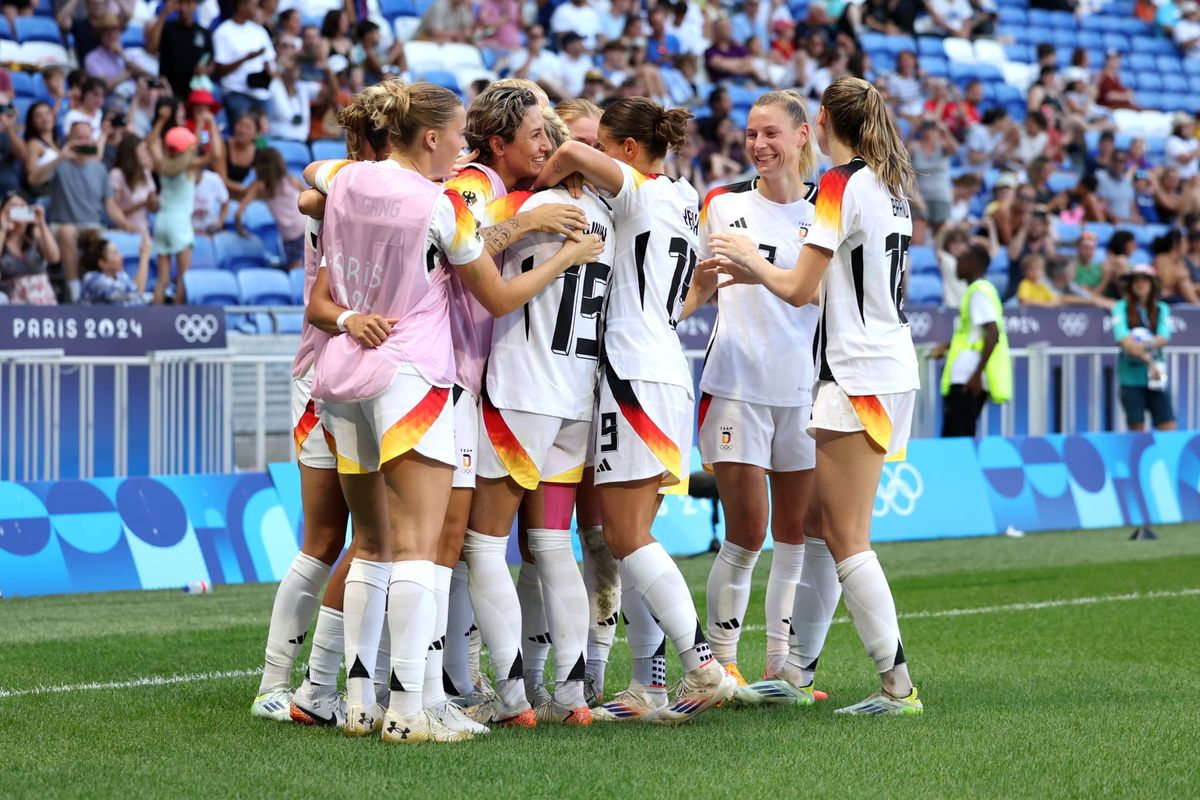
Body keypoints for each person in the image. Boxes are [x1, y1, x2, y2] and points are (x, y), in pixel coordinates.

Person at [304, 80, 600, 742]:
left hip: (343, 376)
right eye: (458, 133)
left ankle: (358, 703)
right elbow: (496, 298)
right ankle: (411, 709)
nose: (464, 145)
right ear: (430, 137)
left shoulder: (348, 181)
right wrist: (567, 259)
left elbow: (312, 182)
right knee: (417, 547)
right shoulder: (442, 205)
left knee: (374, 546)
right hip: (415, 378)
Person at [707, 76, 923, 715]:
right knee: (822, 529)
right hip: (888, 367)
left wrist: (749, 260)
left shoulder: (839, 183)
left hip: (855, 374)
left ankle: (897, 686)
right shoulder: (890, 186)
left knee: (846, 535)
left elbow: (800, 288)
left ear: (820, 122)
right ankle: (796, 671)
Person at [533, 97, 740, 724]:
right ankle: (648, 684)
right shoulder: (684, 195)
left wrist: (529, 191)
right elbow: (692, 287)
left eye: (606, 143)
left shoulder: (641, 192)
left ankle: (702, 664)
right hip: (667, 366)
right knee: (634, 541)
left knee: (624, 536)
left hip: (630, 375)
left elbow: (567, 152)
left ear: (624, 149)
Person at [676, 90, 838, 708]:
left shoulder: (828, 210)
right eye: (750, 134)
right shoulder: (722, 203)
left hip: (804, 391)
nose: (759, 145)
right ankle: (722, 667)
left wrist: (766, 274)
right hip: (737, 385)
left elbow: (833, 299)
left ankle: (784, 671)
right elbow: (697, 285)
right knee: (748, 529)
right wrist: (670, 317)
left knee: (795, 535)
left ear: (802, 137)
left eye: (771, 133)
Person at [468, 111, 614, 726]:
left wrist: (520, 219)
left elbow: (459, 245)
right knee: (553, 545)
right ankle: (573, 697)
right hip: (576, 396)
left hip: (522, 391)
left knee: (480, 544)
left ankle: (508, 699)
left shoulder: (527, 205)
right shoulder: (606, 214)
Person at [251, 89, 386, 729]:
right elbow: (313, 196)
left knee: (364, 538)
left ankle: (329, 682)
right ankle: (287, 680)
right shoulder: (343, 192)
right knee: (334, 537)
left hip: (360, 373)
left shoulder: (349, 189)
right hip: (329, 375)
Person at [37, 121, 129, 302]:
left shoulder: (100, 168)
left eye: (86, 137)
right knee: (67, 232)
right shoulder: (59, 163)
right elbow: (34, 179)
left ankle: (115, 292)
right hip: (61, 226)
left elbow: (110, 206)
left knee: (111, 243)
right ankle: (74, 290)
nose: (83, 141)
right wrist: (60, 157)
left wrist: (129, 226)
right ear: (69, 139)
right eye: (78, 137)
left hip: (93, 227)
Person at [933, 244, 1010, 438]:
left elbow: (993, 332)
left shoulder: (978, 291)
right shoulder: (979, 290)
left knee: (957, 437)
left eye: (961, 259)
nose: (956, 264)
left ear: (974, 263)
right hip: (967, 376)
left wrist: (976, 375)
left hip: (967, 379)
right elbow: (976, 335)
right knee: (959, 434)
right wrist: (948, 346)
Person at [1113, 265, 1175, 432]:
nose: (1140, 285)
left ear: (1152, 284)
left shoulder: (1162, 309)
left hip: (1156, 376)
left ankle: (1164, 458)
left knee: (1167, 424)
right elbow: (1122, 338)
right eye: (1137, 281)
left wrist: (1144, 345)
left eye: (1145, 281)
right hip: (1131, 377)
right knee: (1137, 428)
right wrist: (1147, 358)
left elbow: (1163, 337)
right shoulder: (1120, 307)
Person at [148, 120, 197, 304]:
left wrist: (159, 121)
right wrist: (203, 122)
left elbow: (151, 141)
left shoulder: (162, 165)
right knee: (183, 278)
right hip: (179, 222)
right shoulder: (190, 167)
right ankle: (176, 323)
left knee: (163, 279)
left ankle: (156, 322)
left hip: (161, 220)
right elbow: (214, 155)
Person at [235, 147, 305, 269]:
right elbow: (311, 199)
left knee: (296, 268)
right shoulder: (291, 180)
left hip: (291, 234)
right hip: (307, 226)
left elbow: (238, 213)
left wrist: (240, 229)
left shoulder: (259, 187)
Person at [213, 0, 276, 124]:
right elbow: (219, 68)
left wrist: (270, 72)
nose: (257, 9)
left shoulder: (259, 30)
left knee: (262, 138)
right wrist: (245, 58)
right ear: (242, 5)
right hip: (237, 92)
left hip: (261, 93)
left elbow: (269, 59)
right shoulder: (223, 31)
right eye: (255, 5)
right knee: (243, 134)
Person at [146, 0, 213, 101]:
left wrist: (206, 70)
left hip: (193, 91)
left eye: (188, 3)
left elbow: (212, 59)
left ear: (195, 6)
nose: (184, 8)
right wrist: (164, 13)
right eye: (181, 4)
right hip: (168, 89)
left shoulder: (203, 33)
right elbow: (151, 48)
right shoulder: (168, 28)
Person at [0, 192, 59, 305]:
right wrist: (2, 230)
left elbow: (54, 258)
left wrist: (41, 223)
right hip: (10, 301)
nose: (18, 209)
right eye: (13, 206)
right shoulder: (1, 237)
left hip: (42, 297)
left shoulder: (36, 234)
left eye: (22, 206)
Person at [78, 229, 151, 305]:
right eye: (115, 253)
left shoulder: (121, 276)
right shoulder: (93, 280)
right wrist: (144, 256)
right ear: (102, 263)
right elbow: (135, 296)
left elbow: (136, 293)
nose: (120, 256)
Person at [109, 136, 158, 237]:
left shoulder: (146, 173)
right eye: (143, 150)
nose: (146, 154)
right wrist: (143, 203)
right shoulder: (117, 174)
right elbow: (114, 210)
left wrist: (153, 202)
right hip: (124, 231)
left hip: (144, 230)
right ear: (132, 153)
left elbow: (153, 207)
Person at [22, 102, 59, 197]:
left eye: (48, 113)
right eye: (39, 116)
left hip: (57, 193)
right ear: (32, 122)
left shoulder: (58, 144)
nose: (45, 119)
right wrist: (59, 159)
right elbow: (32, 178)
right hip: (44, 195)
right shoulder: (33, 144)